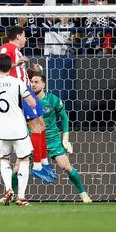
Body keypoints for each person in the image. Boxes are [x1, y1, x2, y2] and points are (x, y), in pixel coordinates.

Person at [0, 54, 36, 206]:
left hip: (2, 130)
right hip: (19, 129)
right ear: (11, 67)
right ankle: (21, 197)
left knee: (4, 159)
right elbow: (32, 103)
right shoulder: (18, 83)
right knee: (24, 160)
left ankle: (8, 189)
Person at [0, 26, 55, 183]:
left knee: (42, 124)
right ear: (17, 36)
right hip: (20, 94)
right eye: (24, 36)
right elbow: (2, 67)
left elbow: (18, 71)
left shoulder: (17, 51)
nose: (25, 39)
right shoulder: (6, 48)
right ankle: (37, 166)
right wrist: (16, 63)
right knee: (36, 128)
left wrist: (31, 72)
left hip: (27, 90)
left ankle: (43, 161)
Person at [31, 73, 92, 203]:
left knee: (66, 166)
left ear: (43, 85)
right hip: (34, 140)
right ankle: (10, 194)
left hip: (52, 140)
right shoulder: (27, 100)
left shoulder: (53, 100)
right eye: (32, 81)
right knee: (18, 168)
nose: (33, 84)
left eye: (36, 82)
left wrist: (65, 138)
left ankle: (83, 193)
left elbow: (64, 117)